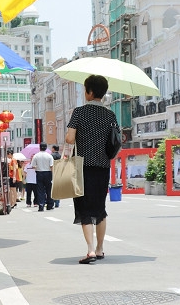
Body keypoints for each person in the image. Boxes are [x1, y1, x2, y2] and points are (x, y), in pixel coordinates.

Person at [65, 74, 120, 264]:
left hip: (82, 166)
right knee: (100, 208)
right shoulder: (110, 114)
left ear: (89, 92)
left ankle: (90, 250)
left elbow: (70, 139)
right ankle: (100, 249)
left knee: (84, 208)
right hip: (103, 166)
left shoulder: (79, 112)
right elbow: (115, 139)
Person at [31, 143, 55, 211]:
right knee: (49, 189)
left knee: (40, 190)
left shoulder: (36, 156)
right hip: (48, 173)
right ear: (46, 148)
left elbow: (33, 166)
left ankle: (41, 205)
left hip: (39, 173)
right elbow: (51, 166)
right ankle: (50, 205)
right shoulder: (49, 156)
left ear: (40, 147)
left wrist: (38, 167)